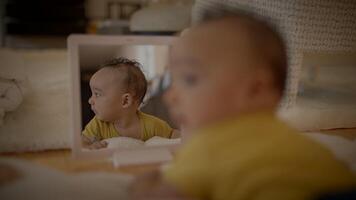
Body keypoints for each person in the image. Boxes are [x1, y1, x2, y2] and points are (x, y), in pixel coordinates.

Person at [130, 13, 356, 200]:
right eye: (174, 79)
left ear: (256, 90)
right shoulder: (301, 142)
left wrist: (143, 185)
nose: (171, 96)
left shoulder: (208, 146)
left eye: (189, 79)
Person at [81, 57, 179, 149]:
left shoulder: (153, 125)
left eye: (97, 94)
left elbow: (175, 136)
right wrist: (89, 145)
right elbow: (81, 141)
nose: (90, 100)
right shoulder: (98, 125)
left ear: (125, 101)